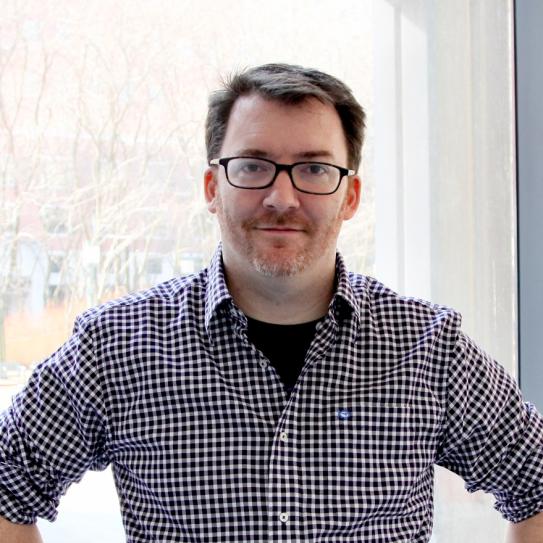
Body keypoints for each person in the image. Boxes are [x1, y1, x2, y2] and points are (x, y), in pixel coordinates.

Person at [1, 63, 542, 543]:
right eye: (253, 165)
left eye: (314, 169)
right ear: (212, 187)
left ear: (350, 196)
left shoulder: (429, 348)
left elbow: (535, 483)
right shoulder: (115, 347)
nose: (282, 198)